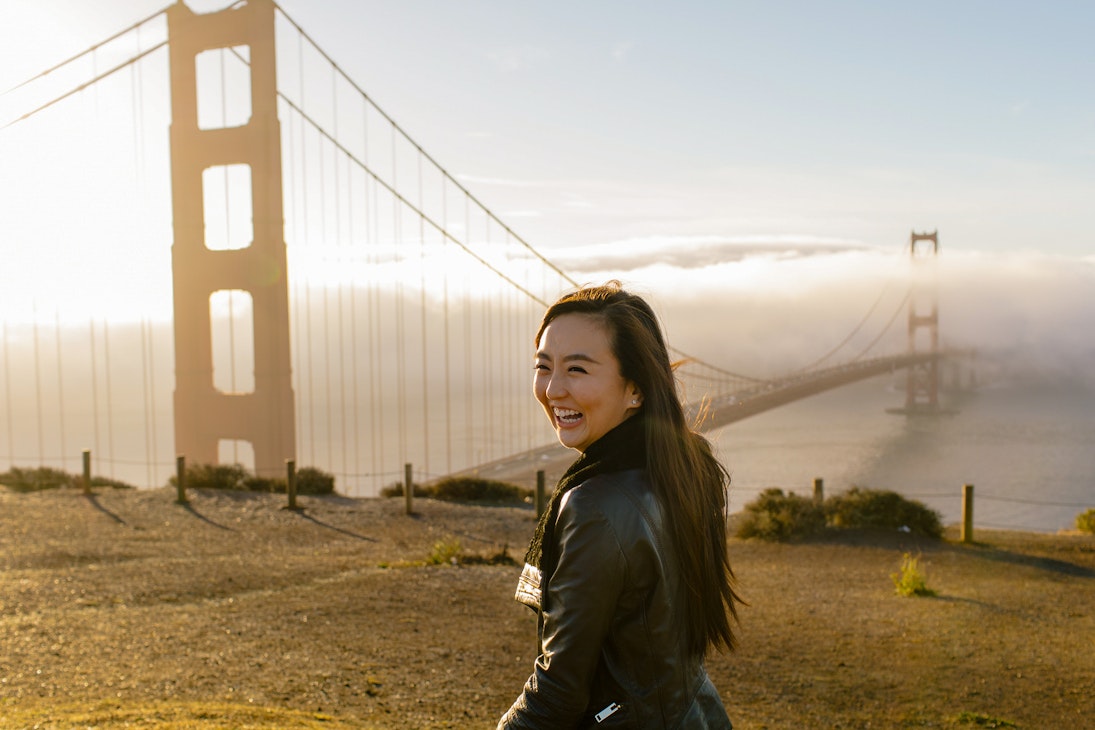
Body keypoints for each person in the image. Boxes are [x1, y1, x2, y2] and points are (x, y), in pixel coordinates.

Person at [498, 281, 743, 729]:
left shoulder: (592, 506)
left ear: (636, 390)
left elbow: (556, 693)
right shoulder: (685, 466)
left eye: (577, 370)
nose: (553, 390)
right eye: (543, 366)